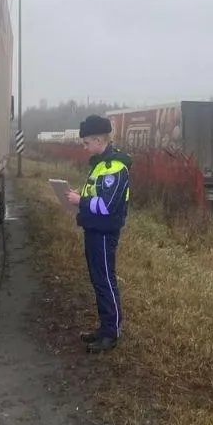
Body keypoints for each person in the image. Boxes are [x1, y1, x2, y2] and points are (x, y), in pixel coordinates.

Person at [61, 114, 132, 353]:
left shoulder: (114, 168)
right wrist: (78, 197)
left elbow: (106, 206)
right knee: (98, 280)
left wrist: (79, 200)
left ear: (99, 139)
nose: (84, 147)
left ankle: (111, 333)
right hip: (93, 229)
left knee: (105, 281)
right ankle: (104, 328)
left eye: (86, 142)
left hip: (103, 232)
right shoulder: (100, 164)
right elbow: (95, 195)